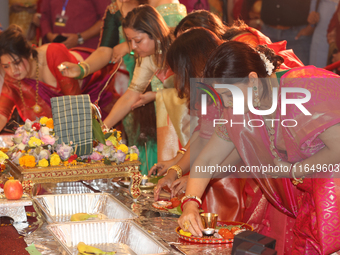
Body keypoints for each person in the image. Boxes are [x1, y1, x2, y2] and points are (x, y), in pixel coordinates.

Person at [178, 41, 340, 254]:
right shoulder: (242, 109)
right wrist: (190, 203)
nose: (226, 105)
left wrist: (293, 171)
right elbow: (207, 160)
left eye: (228, 95)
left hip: (332, 197)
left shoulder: (300, 89)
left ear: (253, 81)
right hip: (303, 202)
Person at [102, 5, 190, 171]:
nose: (133, 47)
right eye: (130, 41)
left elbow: (195, 92)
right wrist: (103, 129)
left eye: (138, 40)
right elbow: (131, 95)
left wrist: (156, 96)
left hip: (193, 121)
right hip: (171, 122)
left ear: (154, 33)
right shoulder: (148, 58)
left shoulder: (181, 50)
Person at [0, 25, 119, 132]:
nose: (13, 70)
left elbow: (75, 104)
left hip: (93, 91)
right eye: (6, 66)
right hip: (71, 110)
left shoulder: (54, 55)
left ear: (29, 54)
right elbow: (2, 113)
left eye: (17, 63)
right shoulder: (12, 78)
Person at [260, 0, 315, 65]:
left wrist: (311, 26)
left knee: (299, 73)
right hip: (268, 32)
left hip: (297, 35)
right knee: (266, 71)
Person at [40, 0, 110, 49]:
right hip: (57, 49)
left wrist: (79, 38)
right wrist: (50, 36)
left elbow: (107, 18)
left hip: (87, 51)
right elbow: (44, 16)